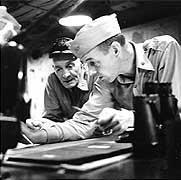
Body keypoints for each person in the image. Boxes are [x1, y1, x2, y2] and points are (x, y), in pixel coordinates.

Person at [21, 13, 181, 144]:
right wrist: (39, 134)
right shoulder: (105, 80)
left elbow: (176, 115)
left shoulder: (164, 51)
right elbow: (84, 122)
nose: (90, 72)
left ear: (115, 50)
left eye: (93, 63)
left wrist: (133, 118)